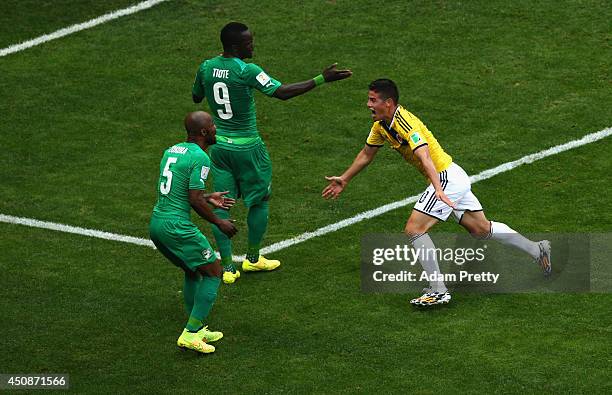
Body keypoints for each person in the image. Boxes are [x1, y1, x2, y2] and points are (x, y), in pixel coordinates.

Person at [322, 79, 551, 307]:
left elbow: (425, 157)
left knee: (414, 228)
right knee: (481, 229)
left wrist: (439, 190)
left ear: (388, 102)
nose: (368, 104)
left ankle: (439, 290)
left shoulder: (405, 123)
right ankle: (536, 249)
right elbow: (366, 154)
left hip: (445, 178)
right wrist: (344, 178)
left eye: (373, 100)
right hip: (453, 175)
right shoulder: (381, 126)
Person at [192, 21, 352, 284]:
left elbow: (197, 96)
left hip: (219, 147)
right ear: (235, 45)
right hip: (248, 148)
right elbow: (281, 92)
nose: (252, 45)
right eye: (248, 42)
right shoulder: (247, 70)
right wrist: (321, 78)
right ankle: (253, 259)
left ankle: (229, 267)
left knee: (222, 202)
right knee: (259, 201)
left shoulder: (207, 67)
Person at [149, 111, 238, 354]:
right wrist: (220, 223)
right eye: (212, 125)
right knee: (213, 271)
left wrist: (208, 197)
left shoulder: (172, 151)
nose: (216, 128)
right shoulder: (201, 158)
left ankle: (196, 328)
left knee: (192, 270)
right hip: (177, 228)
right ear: (203, 132)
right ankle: (190, 333)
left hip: (158, 223)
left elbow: (178, 193)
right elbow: (194, 200)